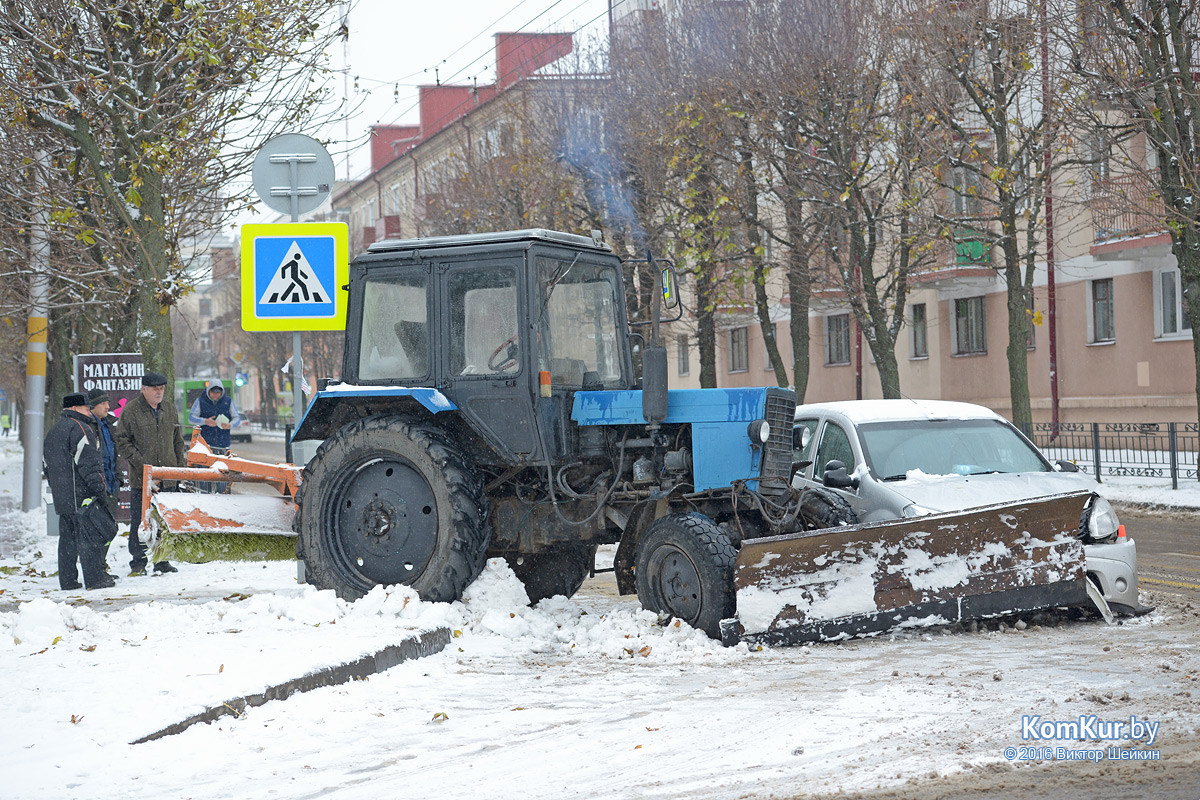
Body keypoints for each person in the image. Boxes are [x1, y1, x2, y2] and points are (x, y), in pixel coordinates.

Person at [115, 371, 186, 576]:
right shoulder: (131, 411)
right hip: (142, 479)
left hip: (168, 477)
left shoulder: (169, 409)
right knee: (141, 521)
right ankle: (138, 562)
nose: (159, 392)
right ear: (144, 389)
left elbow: (177, 441)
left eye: (161, 388)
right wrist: (143, 465)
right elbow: (122, 441)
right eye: (155, 389)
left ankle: (162, 560)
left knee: (164, 521)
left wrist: (178, 469)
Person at [43, 392, 114, 590]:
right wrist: (100, 490)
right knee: (89, 538)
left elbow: (46, 465)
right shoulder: (81, 428)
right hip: (82, 495)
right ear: (74, 409)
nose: (89, 412)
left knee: (67, 540)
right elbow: (90, 465)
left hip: (63, 496)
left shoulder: (53, 431)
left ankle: (68, 581)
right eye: (86, 408)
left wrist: (59, 488)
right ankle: (95, 580)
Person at [187, 379, 241, 493]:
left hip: (223, 445)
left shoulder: (228, 402)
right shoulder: (200, 401)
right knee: (204, 476)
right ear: (208, 391)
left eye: (218, 393)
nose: (216, 395)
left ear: (221, 392)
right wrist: (205, 421)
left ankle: (223, 495)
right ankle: (204, 495)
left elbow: (237, 418)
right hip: (204, 446)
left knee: (223, 475)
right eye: (213, 392)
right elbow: (191, 418)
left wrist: (230, 425)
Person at [86, 389, 120, 562]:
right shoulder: (87, 426)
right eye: (103, 403)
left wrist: (118, 479)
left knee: (108, 529)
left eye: (108, 403)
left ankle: (101, 565)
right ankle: (97, 567)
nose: (108, 406)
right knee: (98, 529)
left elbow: (114, 455)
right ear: (93, 406)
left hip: (111, 484)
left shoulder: (108, 424)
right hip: (98, 486)